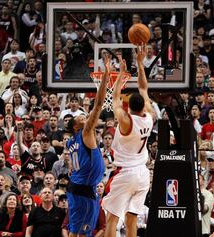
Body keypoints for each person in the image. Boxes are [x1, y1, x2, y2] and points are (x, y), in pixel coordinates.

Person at [102, 45, 153, 237]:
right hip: (142, 174)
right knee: (131, 219)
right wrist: (140, 63)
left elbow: (114, 98)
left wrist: (121, 75)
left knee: (112, 219)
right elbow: (143, 87)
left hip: (126, 173)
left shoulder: (126, 121)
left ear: (128, 106)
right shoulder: (149, 116)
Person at [64, 55, 108, 237]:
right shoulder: (85, 133)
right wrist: (106, 76)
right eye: (81, 117)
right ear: (76, 126)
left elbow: (71, 163)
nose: (85, 117)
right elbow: (98, 105)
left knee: (75, 232)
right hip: (84, 189)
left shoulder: (70, 141)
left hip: (77, 187)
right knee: (82, 233)